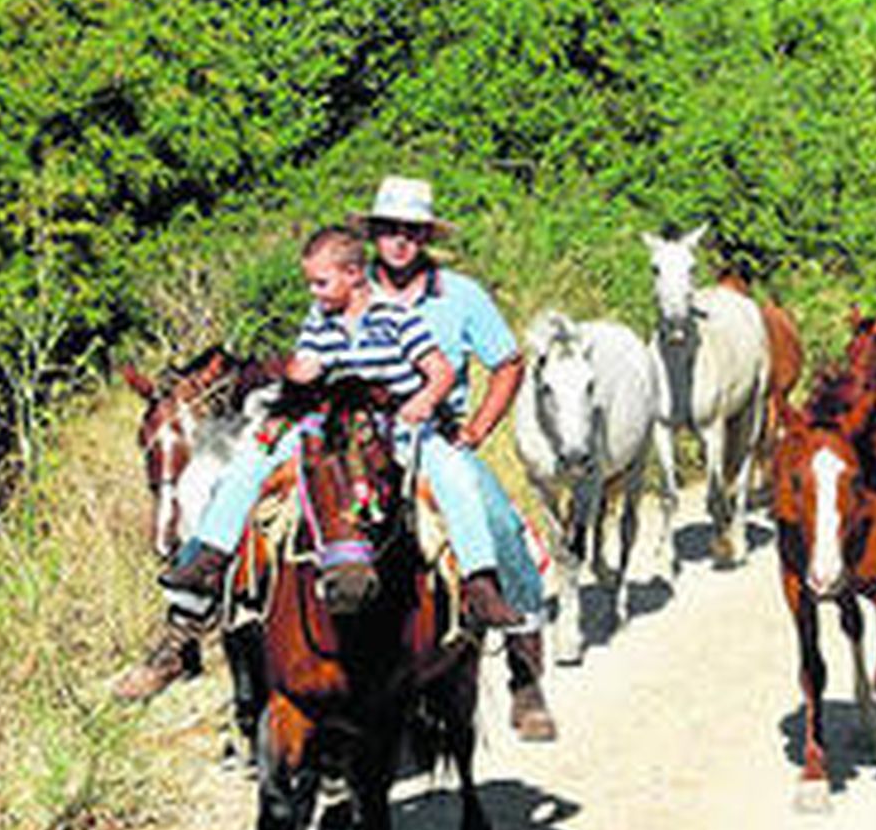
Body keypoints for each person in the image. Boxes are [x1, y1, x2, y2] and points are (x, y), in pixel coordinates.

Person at [114, 224, 521, 702]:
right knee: (250, 460)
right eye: (311, 283)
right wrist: (275, 404)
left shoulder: (396, 317)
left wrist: (425, 401)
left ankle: (480, 579)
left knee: (454, 476)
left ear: (353, 275)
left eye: (320, 283)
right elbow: (305, 372)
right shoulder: (320, 318)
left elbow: (441, 371)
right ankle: (210, 553)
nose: (313, 292)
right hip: (329, 421)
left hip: (392, 421)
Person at [356, 176, 556, 742]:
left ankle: (524, 671)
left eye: (411, 231)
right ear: (373, 235)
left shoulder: (461, 295)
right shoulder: (351, 290)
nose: (399, 241)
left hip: (436, 437)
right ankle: (236, 639)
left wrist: (478, 427)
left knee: (497, 522)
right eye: (389, 230)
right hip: (360, 441)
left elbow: (507, 362)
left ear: (424, 236)